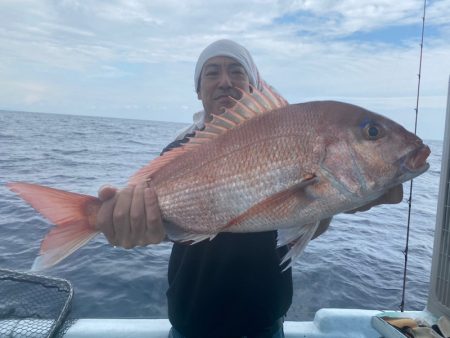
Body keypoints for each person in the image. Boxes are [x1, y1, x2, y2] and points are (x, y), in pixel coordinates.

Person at [96, 39, 403, 338]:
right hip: (192, 321)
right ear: (198, 89)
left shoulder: (292, 133)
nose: (225, 81)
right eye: (212, 72)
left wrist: (335, 202)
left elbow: (303, 222)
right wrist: (131, 225)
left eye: (237, 71)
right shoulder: (180, 150)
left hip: (263, 322)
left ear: (254, 84)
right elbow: (169, 229)